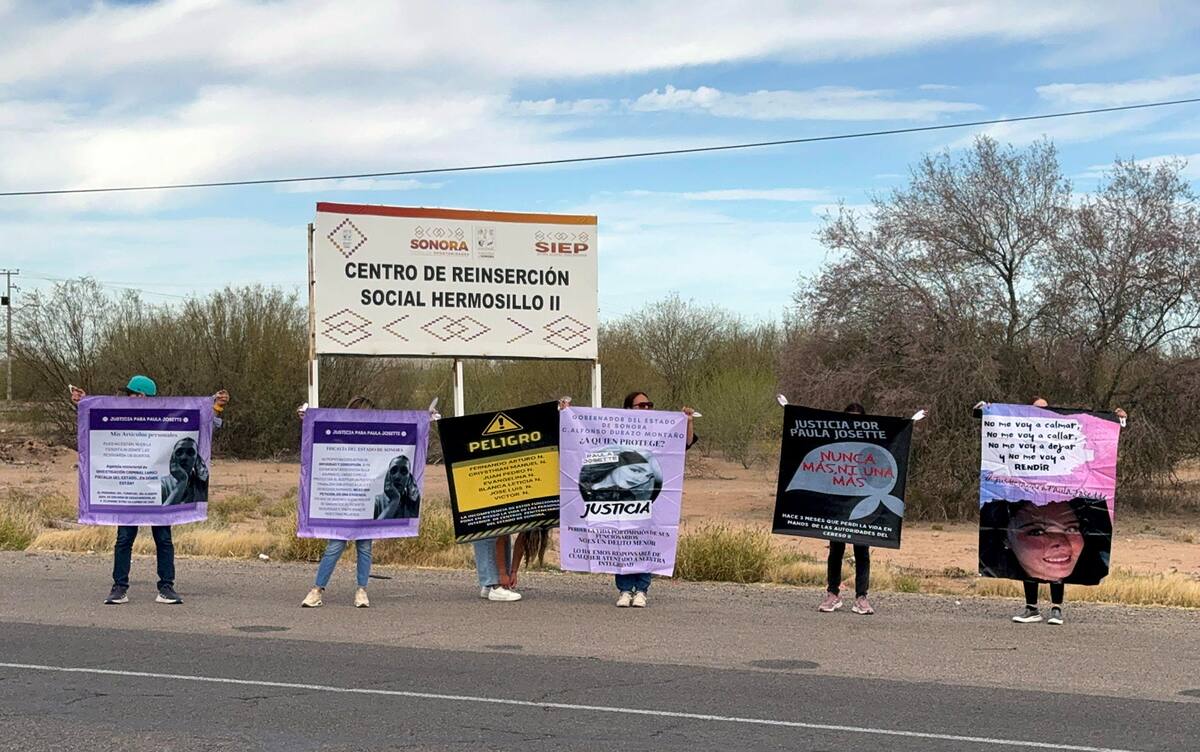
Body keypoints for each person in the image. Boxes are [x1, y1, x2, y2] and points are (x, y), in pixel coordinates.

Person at [72, 376, 230, 606]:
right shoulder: (122, 414)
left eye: (133, 394)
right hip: (130, 489)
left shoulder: (164, 414)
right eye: (129, 394)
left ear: (144, 396)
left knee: (163, 538)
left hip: (156, 489)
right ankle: (119, 587)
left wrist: (215, 405)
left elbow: (204, 420)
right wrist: (81, 402)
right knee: (124, 538)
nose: (129, 398)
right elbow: (93, 415)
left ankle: (166, 587)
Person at [975, 396, 1125, 626]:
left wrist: (1117, 420)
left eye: (1072, 527)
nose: (1060, 541)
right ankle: (1031, 608)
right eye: (1035, 532)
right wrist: (985, 412)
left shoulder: (1065, 428)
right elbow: (996, 429)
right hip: (1025, 489)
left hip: (1055, 490)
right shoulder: (1017, 428)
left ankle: (1057, 609)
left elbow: (1098, 434)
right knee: (1031, 570)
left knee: (1053, 565)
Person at [613, 390, 696, 609]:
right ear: (628, 409)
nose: (647, 409)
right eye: (641, 405)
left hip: (651, 495)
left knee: (646, 540)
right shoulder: (614, 428)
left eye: (649, 405)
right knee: (623, 541)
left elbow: (683, 444)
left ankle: (641, 589)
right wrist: (568, 414)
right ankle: (624, 589)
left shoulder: (660, 430)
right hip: (624, 495)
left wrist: (686, 421)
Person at [300, 395, 379, 609]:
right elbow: (316, 436)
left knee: (364, 546)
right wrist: (306, 419)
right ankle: (317, 589)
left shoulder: (375, 435)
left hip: (366, 498)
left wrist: (424, 422)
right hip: (341, 499)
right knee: (335, 545)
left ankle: (361, 590)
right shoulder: (339, 432)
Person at [818, 402, 875, 615]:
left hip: (862, 504)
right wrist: (789, 410)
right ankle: (833, 593)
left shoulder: (871, 441)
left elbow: (893, 438)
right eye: (849, 417)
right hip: (838, 505)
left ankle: (861, 598)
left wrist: (911, 422)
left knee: (862, 551)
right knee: (836, 550)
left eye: (857, 418)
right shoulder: (837, 442)